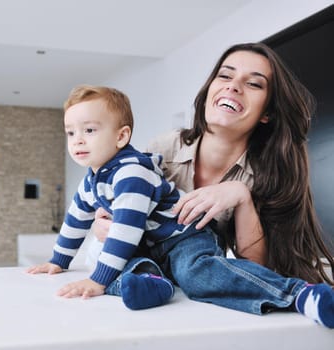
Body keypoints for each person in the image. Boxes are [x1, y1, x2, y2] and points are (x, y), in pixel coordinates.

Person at [90, 43, 334, 328]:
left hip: (195, 266)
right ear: (209, 92)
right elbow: (122, 207)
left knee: (200, 276)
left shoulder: (267, 175)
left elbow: (255, 268)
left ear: (267, 113)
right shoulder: (164, 149)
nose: (233, 87)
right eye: (225, 76)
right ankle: (151, 283)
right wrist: (105, 224)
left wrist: (241, 197)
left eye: (253, 83)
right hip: (147, 258)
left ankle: (304, 297)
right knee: (109, 265)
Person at [28, 84, 193, 310]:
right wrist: (58, 261)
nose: (77, 140)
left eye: (89, 130)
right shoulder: (92, 180)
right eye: (71, 132)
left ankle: (256, 282)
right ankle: (154, 283)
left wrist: (98, 280)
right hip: (150, 246)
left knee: (196, 274)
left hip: (183, 237)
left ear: (121, 136)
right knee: (125, 265)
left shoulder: (131, 172)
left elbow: (126, 230)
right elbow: (75, 221)